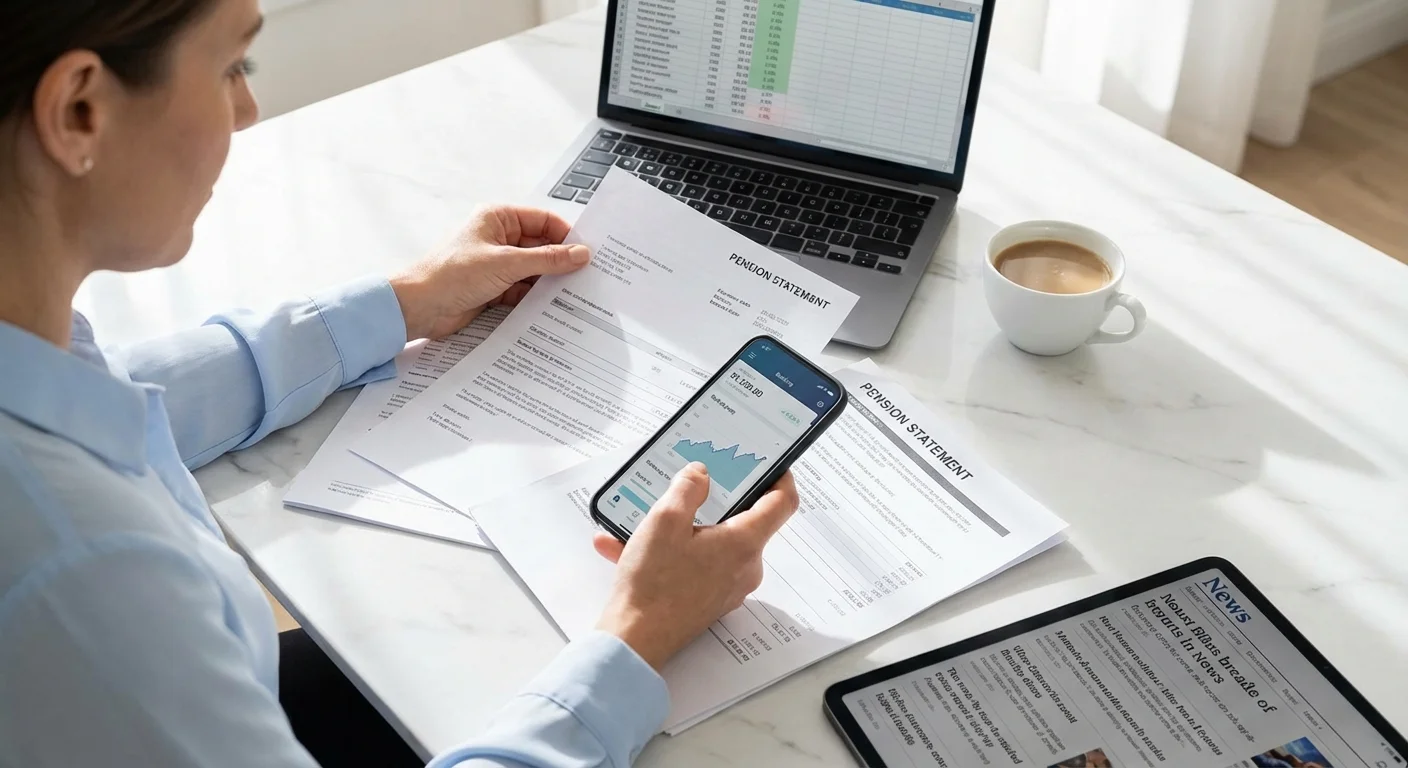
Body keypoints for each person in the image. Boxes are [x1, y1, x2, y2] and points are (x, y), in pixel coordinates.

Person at [0, 1, 800, 766]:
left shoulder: (31, 332)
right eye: (232, 66)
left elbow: (122, 391)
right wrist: (639, 634)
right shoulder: (88, 574)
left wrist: (404, 303)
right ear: (79, 112)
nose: (246, 111)